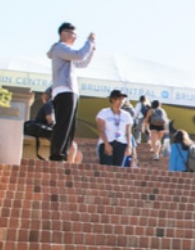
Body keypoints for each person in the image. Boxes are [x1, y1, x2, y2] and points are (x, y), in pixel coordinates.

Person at [47, 22, 96, 162]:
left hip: (70, 90)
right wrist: (89, 41)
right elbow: (80, 55)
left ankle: (63, 153)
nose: (75, 37)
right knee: (63, 124)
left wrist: (91, 49)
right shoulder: (60, 48)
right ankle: (57, 155)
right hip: (64, 90)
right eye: (73, 34)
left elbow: (83, 63)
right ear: (63, 33)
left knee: (69, 126)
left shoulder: (67, 53)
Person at [95, 89, 133, 167]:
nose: (121, 101)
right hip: (108, 142)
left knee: (118, 169)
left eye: (122, 99)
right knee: (107, 167)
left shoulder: (126, 115)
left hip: (121, 143)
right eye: (118, 99)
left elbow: (128, 132)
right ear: (112, 99)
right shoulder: (104, 112)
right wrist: (106, 144)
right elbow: (100, 129)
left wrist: (129, 146)